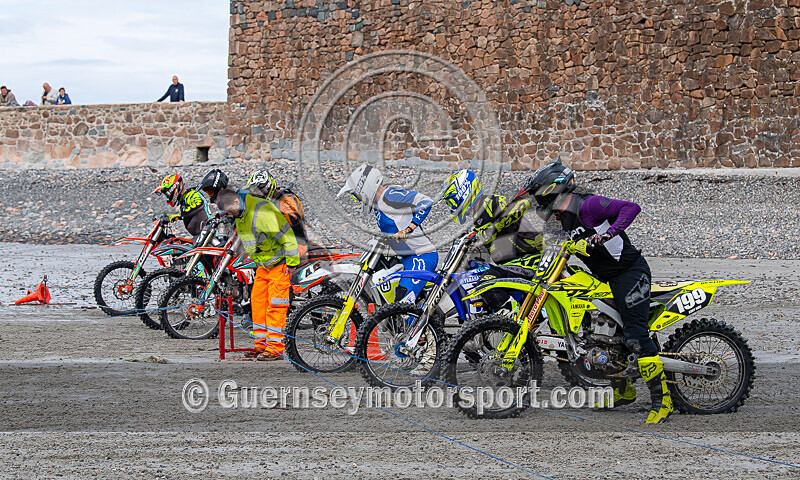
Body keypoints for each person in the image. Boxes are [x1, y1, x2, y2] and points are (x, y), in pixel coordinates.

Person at [519, 157, 672, 424]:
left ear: (552, 190)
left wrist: (607, 234)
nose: (537, 201)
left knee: (635, 336)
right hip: (602, 278)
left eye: (538, 195)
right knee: (601, 335)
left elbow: (631, 208)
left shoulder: (587, 205)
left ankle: (663, 400)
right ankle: (623, 390)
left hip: (629, 273)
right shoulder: (560, 217)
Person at [438, 169, 543, 313]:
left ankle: (512, 319)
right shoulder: (478, 216)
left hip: (529, 259)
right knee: (472, 272)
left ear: (464, 192)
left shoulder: (491, 202)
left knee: (486, 283)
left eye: (452, 200)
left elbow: (522, 204)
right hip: (512, 264)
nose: (452, 206)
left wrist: (492, 228)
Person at [214, 188, 300, 360]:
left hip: (279, 264)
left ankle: (275, 349)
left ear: (237, 202)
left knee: (275, 306)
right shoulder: (241, 215)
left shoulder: (262, 211)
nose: (228, 215)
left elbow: (287, 236)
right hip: (263, 266)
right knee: (258, 303)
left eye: (229, 210)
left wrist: (291, 263)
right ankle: (261, 345)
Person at [337, 164, 438, 304]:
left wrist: (408, 229)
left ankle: (421, 325)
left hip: (422, 256)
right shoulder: (378, 207)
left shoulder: (391, 196)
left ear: (364, 188)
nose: (358, 200)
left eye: (356, 196)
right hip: (407, 257)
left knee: (403, 303)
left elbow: (426, 202)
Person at [246, 170, 309, 259]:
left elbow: (293, 226)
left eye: (261, 191)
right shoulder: (270, 201)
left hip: (296, 244)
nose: (258, 195)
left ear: (269, 188)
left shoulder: (286, 202)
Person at [151, 173, 211, 238]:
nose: (168, 196)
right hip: (199, 236)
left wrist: (177, 216)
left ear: (174, 188)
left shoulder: (193, 194)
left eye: (167, 194)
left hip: (207, 234)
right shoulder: (184, 200)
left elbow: (196, 207)